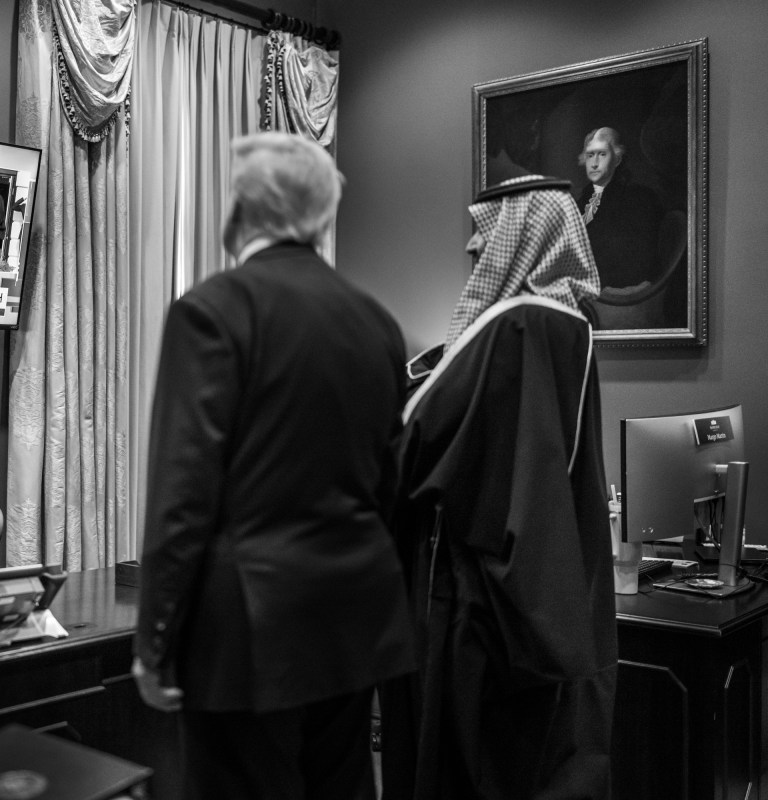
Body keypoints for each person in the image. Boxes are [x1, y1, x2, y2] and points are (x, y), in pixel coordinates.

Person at [132, 132, 416, 799]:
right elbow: (387, 484)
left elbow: (182, 497)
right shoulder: (377, 323)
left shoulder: (211, 311)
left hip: (249, 635)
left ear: (241, 209)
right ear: (320, 216)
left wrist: (155, 642)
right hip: (355, 621)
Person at [381, 176, 617, 800]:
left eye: (487, 240)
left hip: (469, 591)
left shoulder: (513, 324)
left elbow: (419, 436)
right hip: (538, 591)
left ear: (522, 234)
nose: (476, 253)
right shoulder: (571, 326)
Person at [576, 127, 664, 296]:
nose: (594, 163)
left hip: (622, 295)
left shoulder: (639, 199)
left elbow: (634, 264)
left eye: (602, 154)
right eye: (589, 155)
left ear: (617, 159)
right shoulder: (587, 197)